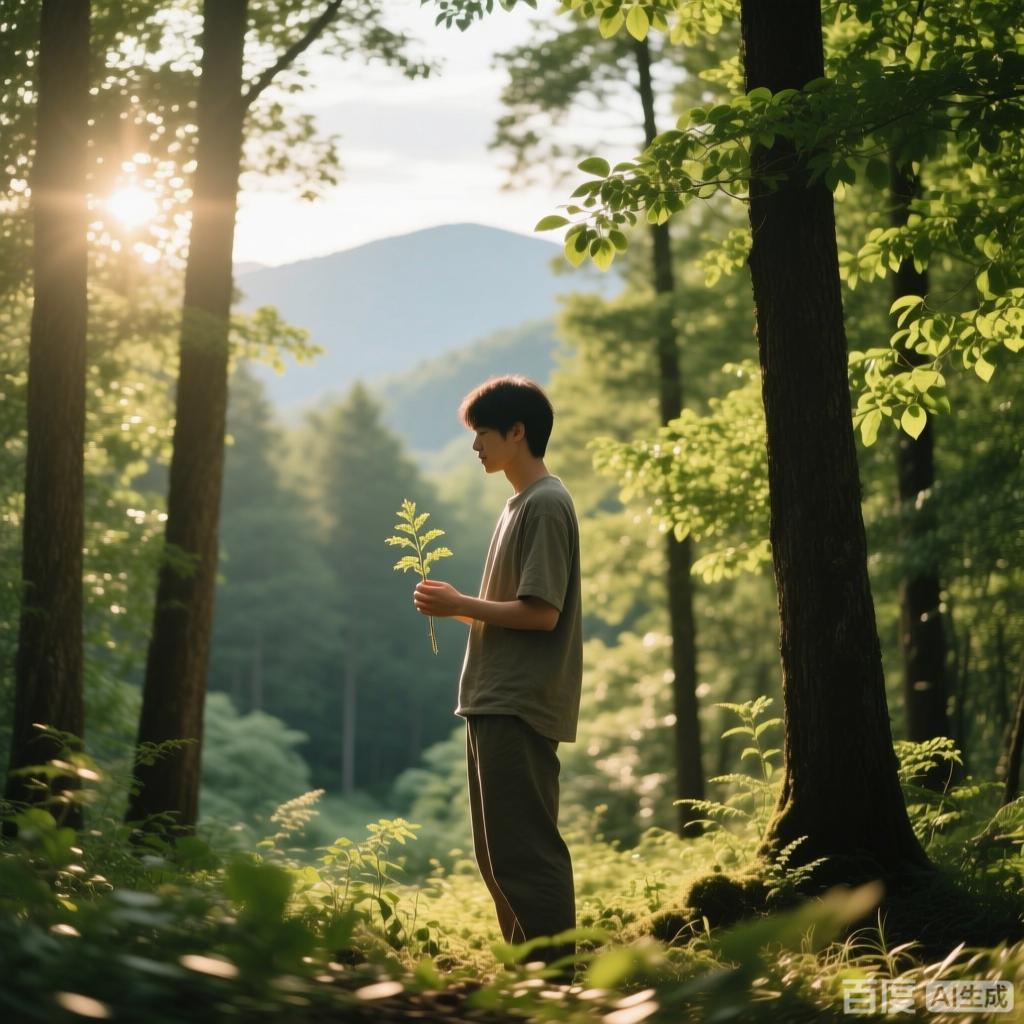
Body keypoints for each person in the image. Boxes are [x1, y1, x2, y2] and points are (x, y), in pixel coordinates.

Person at [412, 374, 582, 980]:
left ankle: (556, 983)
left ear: (517, 432)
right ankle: (530, 976)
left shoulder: (545, 503)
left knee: (525, 851)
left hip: (520, 700)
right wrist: (457, 606)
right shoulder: (519, 504)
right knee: (496, 853)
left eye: (483, 433)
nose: (475, 445)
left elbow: (542, 613)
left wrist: (461, 602)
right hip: (493, 697)